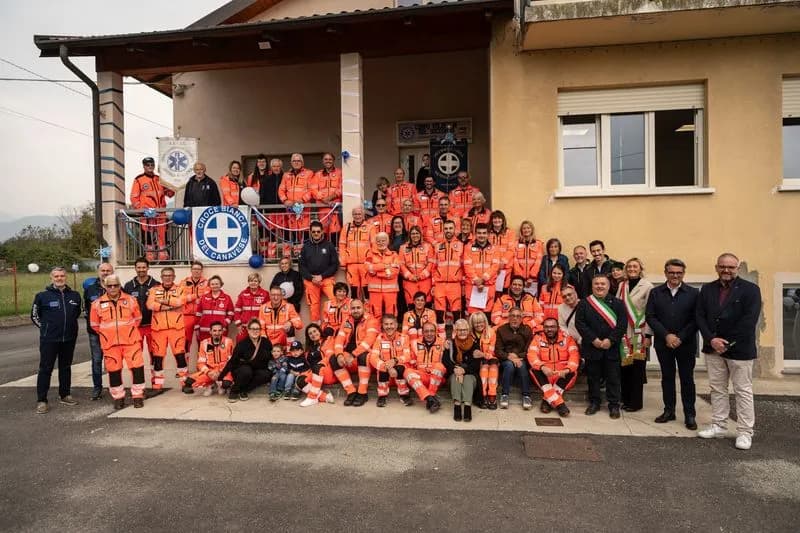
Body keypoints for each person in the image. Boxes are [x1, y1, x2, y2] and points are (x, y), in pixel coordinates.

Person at [696, 253, 762, 450]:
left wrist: (727, 343)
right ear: (716, 267)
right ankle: (719, 425)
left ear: (737, 267)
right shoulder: (707, 289)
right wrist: (711, 339)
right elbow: (699, 315)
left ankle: (744, 432)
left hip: (739, 349)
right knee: (717, 389)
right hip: (712, 348)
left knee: (742, 391)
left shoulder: (751, 290)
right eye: (722, 267)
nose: (726, 270)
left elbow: (749, 321)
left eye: (730, 267)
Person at [645, 258, 699, 430]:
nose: (675, 275)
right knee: (667, 378)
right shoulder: (656, 292)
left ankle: (689, 414)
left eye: (679, 273)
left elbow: (696, 319)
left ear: (683, 274)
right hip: (664, 343)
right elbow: (651, 316)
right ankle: (669, 411)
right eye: (671, 272)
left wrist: (680, 337)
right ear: (665, 273)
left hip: (686, 344)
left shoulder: (693, 293)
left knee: (687, 379)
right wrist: (667, 336)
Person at [89, 274, 145, 410]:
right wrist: (109, 335)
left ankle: (138, 396)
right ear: (104, 286)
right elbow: (95, 325)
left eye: (115, 285)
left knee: (137, 369)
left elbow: (138, 319)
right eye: (109, 285)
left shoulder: (131, 300)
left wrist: (127, 332)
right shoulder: (97, 304)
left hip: (131, 342)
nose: (113, 288)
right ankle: (118, 398)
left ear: (120, 286)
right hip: (110, 344)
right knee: (114, 372)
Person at [31, 267, 82, 414]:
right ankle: (42, 400)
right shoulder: (42, 296)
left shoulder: (75, 295)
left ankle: (65, 395)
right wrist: (46, 328)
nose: (59, 278)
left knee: (65, 367)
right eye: (56, 276)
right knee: (45, 368)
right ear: (51, 278)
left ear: (66, 277)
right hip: (49, 340)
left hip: (69, 339)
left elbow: (76, 313)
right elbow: (35, 316)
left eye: (62, 276)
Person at [576, 274, 627, 418]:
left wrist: (610, 340)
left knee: (613, 377)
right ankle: (594, 403)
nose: (599, 286)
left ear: (608, 286)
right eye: (596, 284)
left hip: (611, 347)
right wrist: (594, 340)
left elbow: (622, 325)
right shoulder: (584, 303)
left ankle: (614, 405)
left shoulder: (617, 303)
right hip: (592, 347)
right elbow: (580, 324)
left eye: (602, 284)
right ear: (592, 286)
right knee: (593, 377)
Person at [616, 258, 654, 413]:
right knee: (625, 366)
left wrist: (649, 335)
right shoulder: (621, 285)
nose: (632, 269)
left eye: (635, 266)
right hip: (624, 332)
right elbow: (618, 306)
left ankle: (636, 402)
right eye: (629, 266)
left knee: (637, 369)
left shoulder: (648, 286)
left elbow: (651, 312)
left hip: (640, 332)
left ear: (640, 268)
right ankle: (625, 399)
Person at [330, 299, 380, 406]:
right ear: (350, 309)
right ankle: (351, 391)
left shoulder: (372, 321)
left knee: (363, 355)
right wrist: (339, 354)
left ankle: (362, 393)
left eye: (358, 308)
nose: (356, 310)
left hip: (367, 358)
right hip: (349, 358)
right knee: (333, 358)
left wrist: (353, 355)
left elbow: (369, 342)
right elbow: (339, 339)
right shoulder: (347, 321)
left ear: (364, 308)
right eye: (353, 308)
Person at [528, 317, 580, 417]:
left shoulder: (567, 339)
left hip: (562, 376)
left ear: (558, 328)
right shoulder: (537, 339)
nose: (549, 329)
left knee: (572, 371)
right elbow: (531, 355)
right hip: (545, 375)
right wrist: (542, 367)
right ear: (543, 328)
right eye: (546, 327)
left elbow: (574, 356)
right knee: (535, 369)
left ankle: (547, 401)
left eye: (552, 327)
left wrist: (567, 369)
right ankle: (560, 404)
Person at [146, 267, 188, 389]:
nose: (168, 277)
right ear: (161, 277)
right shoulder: (154, 290)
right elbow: (150, 304)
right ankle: (157, 385)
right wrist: (167, 306)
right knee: (158, 357)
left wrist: (163, 300)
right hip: (158, 330)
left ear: (174, 277)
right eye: (165, 275)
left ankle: (184, 382)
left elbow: (180, 302)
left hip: (177, 329)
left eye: (170, 275)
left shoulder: (180, 289)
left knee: (180, 356)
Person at [130, 156, 175, 261]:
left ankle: (162, 255)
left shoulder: (160, 179)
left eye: (152, 165)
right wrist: (141, 210)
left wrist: (172, 183)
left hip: (160, 213)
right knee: (147, 234)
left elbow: (170, 194)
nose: (150, 167)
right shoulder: (139, 179)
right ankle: (149, 255)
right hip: (147, 214)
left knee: (162, 234)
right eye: (147, 165)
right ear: (144, 166)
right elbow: (134, 197)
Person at [219, 318, 274, 402]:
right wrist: (221, 377)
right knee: (246, 371)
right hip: (242, 369)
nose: (255, 331)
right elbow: (232, 361)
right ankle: (234, 390)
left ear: (260, 330)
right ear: (248, 330)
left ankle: (243, 390)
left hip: (257, 370)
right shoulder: (242, 344)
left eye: (257, 329)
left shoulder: (266, 342)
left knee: (266, 374)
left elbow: (271, 357)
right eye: (252, 329)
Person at [369, 314, 414, 407]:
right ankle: (382, 395)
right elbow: (373, 357)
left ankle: (404, 394)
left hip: (399, 373)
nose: (389, 327)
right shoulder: (379, 339)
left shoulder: (404, 338)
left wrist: (395, 360)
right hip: (386, 374)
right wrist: (387, 367)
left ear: (396, 325)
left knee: (401, 367)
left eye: (391, 324)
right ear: (382, 325)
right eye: (386, 324)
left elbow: (408, 356)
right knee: (382, 369)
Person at [84, 262, 114, 400]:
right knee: (97, 360)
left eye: (108, 270)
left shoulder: (117, 288)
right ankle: (97, 388)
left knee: (113, 360)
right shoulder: (90, 289)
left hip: (112, 332)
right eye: (103, 270)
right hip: (95, 333)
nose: (105, 273)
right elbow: (86, 310)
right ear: (98, 272)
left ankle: (115, 386)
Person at [299, 220, 339, 323]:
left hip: (326, 279)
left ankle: (334, 324)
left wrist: (322, 276)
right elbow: (301, 266)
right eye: (313, 232)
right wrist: (311, 278)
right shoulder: (305, 247)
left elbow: (335, 265)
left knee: (335, 300)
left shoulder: (329, 245)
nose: (316, 233)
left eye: (318, 231)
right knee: (314, 306)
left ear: (322, 232)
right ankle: (316, 329)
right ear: (310, 232)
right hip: (311, 280)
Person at [495, 307, 534, 410]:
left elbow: (530, 350)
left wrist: (517, 357)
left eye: (518, 316)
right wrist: (509, 357)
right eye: (512, 316)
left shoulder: (527, 330)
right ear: (508, 317)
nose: (515, 319)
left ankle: (526, 395)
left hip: (521, 358)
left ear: (522, 318)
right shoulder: (501, 330)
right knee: (509, 365)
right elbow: (498, 350)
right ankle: (505, 395)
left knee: (522, 366)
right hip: (506, 358)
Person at [182, 321, 233, 397]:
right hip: (210, 372)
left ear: (222, 331)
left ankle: (222, 385)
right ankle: (211, 384)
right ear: (210, 332)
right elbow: (200, 363)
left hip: (224, 371)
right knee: (189, 381)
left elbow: (231, 361)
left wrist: (220, 372)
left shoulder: (228, 342)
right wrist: (209, 372)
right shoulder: (204, 343)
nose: (217, 333)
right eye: (214, 330)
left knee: (227, 384)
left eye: (219, 330)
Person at [123, 257, 159, 359]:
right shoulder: (128, 286)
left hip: (152, 326)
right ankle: (139, 375)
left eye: (144, 267)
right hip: (135, 327)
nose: (141, 269)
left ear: (148, 268)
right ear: (135, 268)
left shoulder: (156, 285)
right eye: (139, 267)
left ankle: (155, 375)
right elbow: (125, 307)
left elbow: (160, 305)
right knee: (136, 354)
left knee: (155, 353)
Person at [444, 318, 480, 422]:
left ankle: (467, 406)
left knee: (467, 378)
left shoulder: (474, 344)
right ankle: (457, 406)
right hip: (454, 373)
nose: (462, 332)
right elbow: (445, 361)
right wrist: (455, 370)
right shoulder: (450, 344)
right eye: (460, 330)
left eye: (465, 330)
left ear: (468, 331)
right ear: (455, 331)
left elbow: (476, 364)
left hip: (470, 373)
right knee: (456, 378)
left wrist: (464, 370)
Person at [405, 322, 445, 413]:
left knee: (439, 366)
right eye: (426, 331)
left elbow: (445, 364)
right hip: (422, 376)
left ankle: (431, 394)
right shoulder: (415, 343)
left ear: (436, 332)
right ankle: (430, 398)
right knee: (407, 371)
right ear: (422, 332)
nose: (429, 334)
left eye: (432, 331)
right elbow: (410, 360)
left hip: (437, 378)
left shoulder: (442, 343)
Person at [432, 220, 465, 326]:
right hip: (439, 284)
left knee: (456, 313)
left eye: (450, 228)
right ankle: (441, 338)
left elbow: (464, 266)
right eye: (446, 228)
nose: (448, 231)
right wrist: (433, 284)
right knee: (439, 313)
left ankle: (457, 337)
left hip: (455, 284)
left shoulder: (461, 245)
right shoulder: (438, 246)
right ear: (443, 230)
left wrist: (463, 284)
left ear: (455, 229)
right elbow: (433, 266)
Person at [464, 223, 500, 314]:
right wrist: (476, 280)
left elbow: (495, 266)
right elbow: (467, 265)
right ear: (475, 234)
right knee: (473, 314)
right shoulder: (468, 247)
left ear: (488, 234)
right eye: (479, 233)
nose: (481, 235)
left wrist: (483, 279)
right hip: (473, 286)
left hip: (488, 285)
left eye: (484, 233)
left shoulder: (494, 248)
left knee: (487, 313)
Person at [338, 207, 374, 299]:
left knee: (367, 290)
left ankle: (367, 311)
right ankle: (355, 311)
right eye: (355, 214)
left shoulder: (370, 227)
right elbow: (342, 246)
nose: (357, 216)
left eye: (359, 214)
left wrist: (371, 262)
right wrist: (343, 262)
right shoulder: (346, 228)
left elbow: (374, 246)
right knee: (354, 290)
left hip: (365, 264)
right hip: (351, 265)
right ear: (352, 216)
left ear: (363, 215)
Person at [297, 325, 336, 407]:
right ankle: (324, 396)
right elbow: (309, 365)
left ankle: (312, 397)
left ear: (319, 331)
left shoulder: (327, 341)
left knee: (317, 367)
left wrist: (320, 364)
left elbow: (329, 356)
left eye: (315, 331)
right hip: (315, 373)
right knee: (299, 380)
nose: (313, 334)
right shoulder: (308, 349)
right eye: (310, 333)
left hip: (327, 371)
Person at [364, 232, 401, 318]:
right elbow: (368, 268)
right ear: (375, 242)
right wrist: (385, 266)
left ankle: (390, 330)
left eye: (383, 241)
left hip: (390, 291)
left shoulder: (394, 255)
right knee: (375, 314)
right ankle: (375, 330)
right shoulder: (370, 254)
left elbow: (394, 272)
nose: (381, 243)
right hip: (374, 290)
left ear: (387, 242)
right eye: (378, 241)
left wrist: (377, 272)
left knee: (391, 313)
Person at [279, 153, 314, 240]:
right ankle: (296, 251)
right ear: (291, 162)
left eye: (298, 161)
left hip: (304, 209)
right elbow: (281, 190)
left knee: (305, 232)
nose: (296, 162)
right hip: (291, 210)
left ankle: (305, 252)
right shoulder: (286, 175)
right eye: (294, 161)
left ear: (302, 162)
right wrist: (285, 201)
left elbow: (311, 189)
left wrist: (302, 200)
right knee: (294, 233)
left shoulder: (309, 173)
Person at [469, 312, 498, 409]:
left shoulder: (491, 332)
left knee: (493, 369)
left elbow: (492, 351)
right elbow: (470, 353)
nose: (479, 325)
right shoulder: (469, 333)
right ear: (472, 324)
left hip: (490, 359)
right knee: (484, 369)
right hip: (475, 362)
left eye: (481, 322)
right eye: (476, 323)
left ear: (485, 321)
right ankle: (483, 395)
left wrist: (482, 355)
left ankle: (492, 395)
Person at [180, 261, 209, 356]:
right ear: (191, 270)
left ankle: (201, 367)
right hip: (186, 316)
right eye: (194, 269)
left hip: (201, 316)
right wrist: (196, 296)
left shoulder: (207, 283)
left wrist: (189, 297)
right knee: (185, 342)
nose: (196, 271)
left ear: (201, 271)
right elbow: (180, 299)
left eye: (199, 269)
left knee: (202, 341)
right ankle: (184, 369)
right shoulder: (183, 283)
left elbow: (206, 298)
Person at [400, 226, 434, 305]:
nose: (415, 235)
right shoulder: (403, 248)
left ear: (421, 234)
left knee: (426, 304)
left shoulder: (428, 246)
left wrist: (421, 275)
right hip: (409, 282)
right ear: (410, 235)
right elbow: (401, 265)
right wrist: (410, 276)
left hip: (425, 281)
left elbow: (431, 264)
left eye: (417, 233)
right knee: (411, 304)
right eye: (413, 233)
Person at [311, 152, 343, 237]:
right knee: (323, 231)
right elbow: (313, 190)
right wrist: (323, 199)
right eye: (326, 159)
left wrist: (330, 198)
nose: (328, 161)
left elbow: (341, 188)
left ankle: (334, 250)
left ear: (333, 161)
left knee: (335, 231)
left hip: (335, 208)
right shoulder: (317, 174)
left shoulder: (340, 173)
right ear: (322, 161)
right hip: (322, 208)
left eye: (330, 159)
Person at [194, 275, 234, 342]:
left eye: (217, 284)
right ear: (209, 285)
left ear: (221, 285)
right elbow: (198, 314)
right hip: (204, 332)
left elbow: (231, 313)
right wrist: (197, 327)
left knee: (221, 351)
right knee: (204, 351)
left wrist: (225, 323)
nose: (215, 286)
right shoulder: (204, 298)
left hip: (220, 331)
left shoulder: (227, 298)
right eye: (212, 284)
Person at [234, 272, 269, 342]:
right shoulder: (243, 294)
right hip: (245, 327)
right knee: (240, 343)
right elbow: (237, 310)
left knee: (258, 346)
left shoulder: (265, 294)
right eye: (251, 281)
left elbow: (268, 312)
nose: (253, 283)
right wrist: (238, 324)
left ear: (259, 282)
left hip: (258, 327)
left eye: (255, 281)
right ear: (248, 282)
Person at [512, 220, 544, 297]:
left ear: (532, 229)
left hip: (533, 280)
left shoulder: (538, 244)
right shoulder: (515, 243)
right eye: (524, 228)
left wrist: (532, 276)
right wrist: (521, 277)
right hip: (519, 280)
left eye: (528, 228)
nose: (526, 230)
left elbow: (538, 261)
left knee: (531, 300)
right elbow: (514, 260)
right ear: (521, 231)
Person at [488, 210, 516, 293]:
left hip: (505, 268)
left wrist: (502, 262)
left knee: (503, 291)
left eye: (499, 218)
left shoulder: (510, 233)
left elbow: (511, 250)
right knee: (491, 291)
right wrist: (495, 264)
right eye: (494, 218)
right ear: (491, 220)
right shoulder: (488, 233)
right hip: (491, 267)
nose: (497, 220)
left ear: (503, 220)